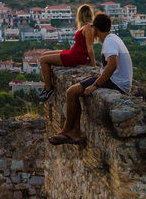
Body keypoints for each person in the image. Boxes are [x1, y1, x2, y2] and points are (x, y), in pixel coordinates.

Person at [49, 13, 132, 146]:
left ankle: (68, 131)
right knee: (75, 90)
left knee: (71, 92)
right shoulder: (113, 38)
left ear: (96, 29)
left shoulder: (109, 42)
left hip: (116, 83)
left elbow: (112, 65)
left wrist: (95, 85)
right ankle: (73, 131)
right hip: (119, 81)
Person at [38, 4, 98, 102]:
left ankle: (48, 90)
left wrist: (94, 64)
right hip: (73, 52)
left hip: (75, 56)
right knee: (44, 55)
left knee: (43, 60)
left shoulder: (88, 28)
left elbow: (90, 48)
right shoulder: (87, 27)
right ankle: (47, 87)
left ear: (80, 15)